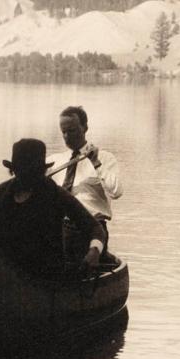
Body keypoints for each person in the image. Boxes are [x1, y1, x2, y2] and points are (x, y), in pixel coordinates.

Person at [0, 138, 103, 291]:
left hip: (45, 276)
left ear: (40, 171)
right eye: (20, 170)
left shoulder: (55, 194)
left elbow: (94, 228)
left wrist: (94, 251)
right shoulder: (0, 193)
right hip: (2, 276)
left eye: (31, 171)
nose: (25, 175)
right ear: (14, 170)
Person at [49, 105, 122, 255]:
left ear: (85, 127)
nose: (68, 136)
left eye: (73, 130)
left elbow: (116, 192)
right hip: (59, 229)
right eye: (64, 132)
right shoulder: (54, 161)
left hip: (92, 231)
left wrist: (96, 163)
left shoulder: (105, 158)